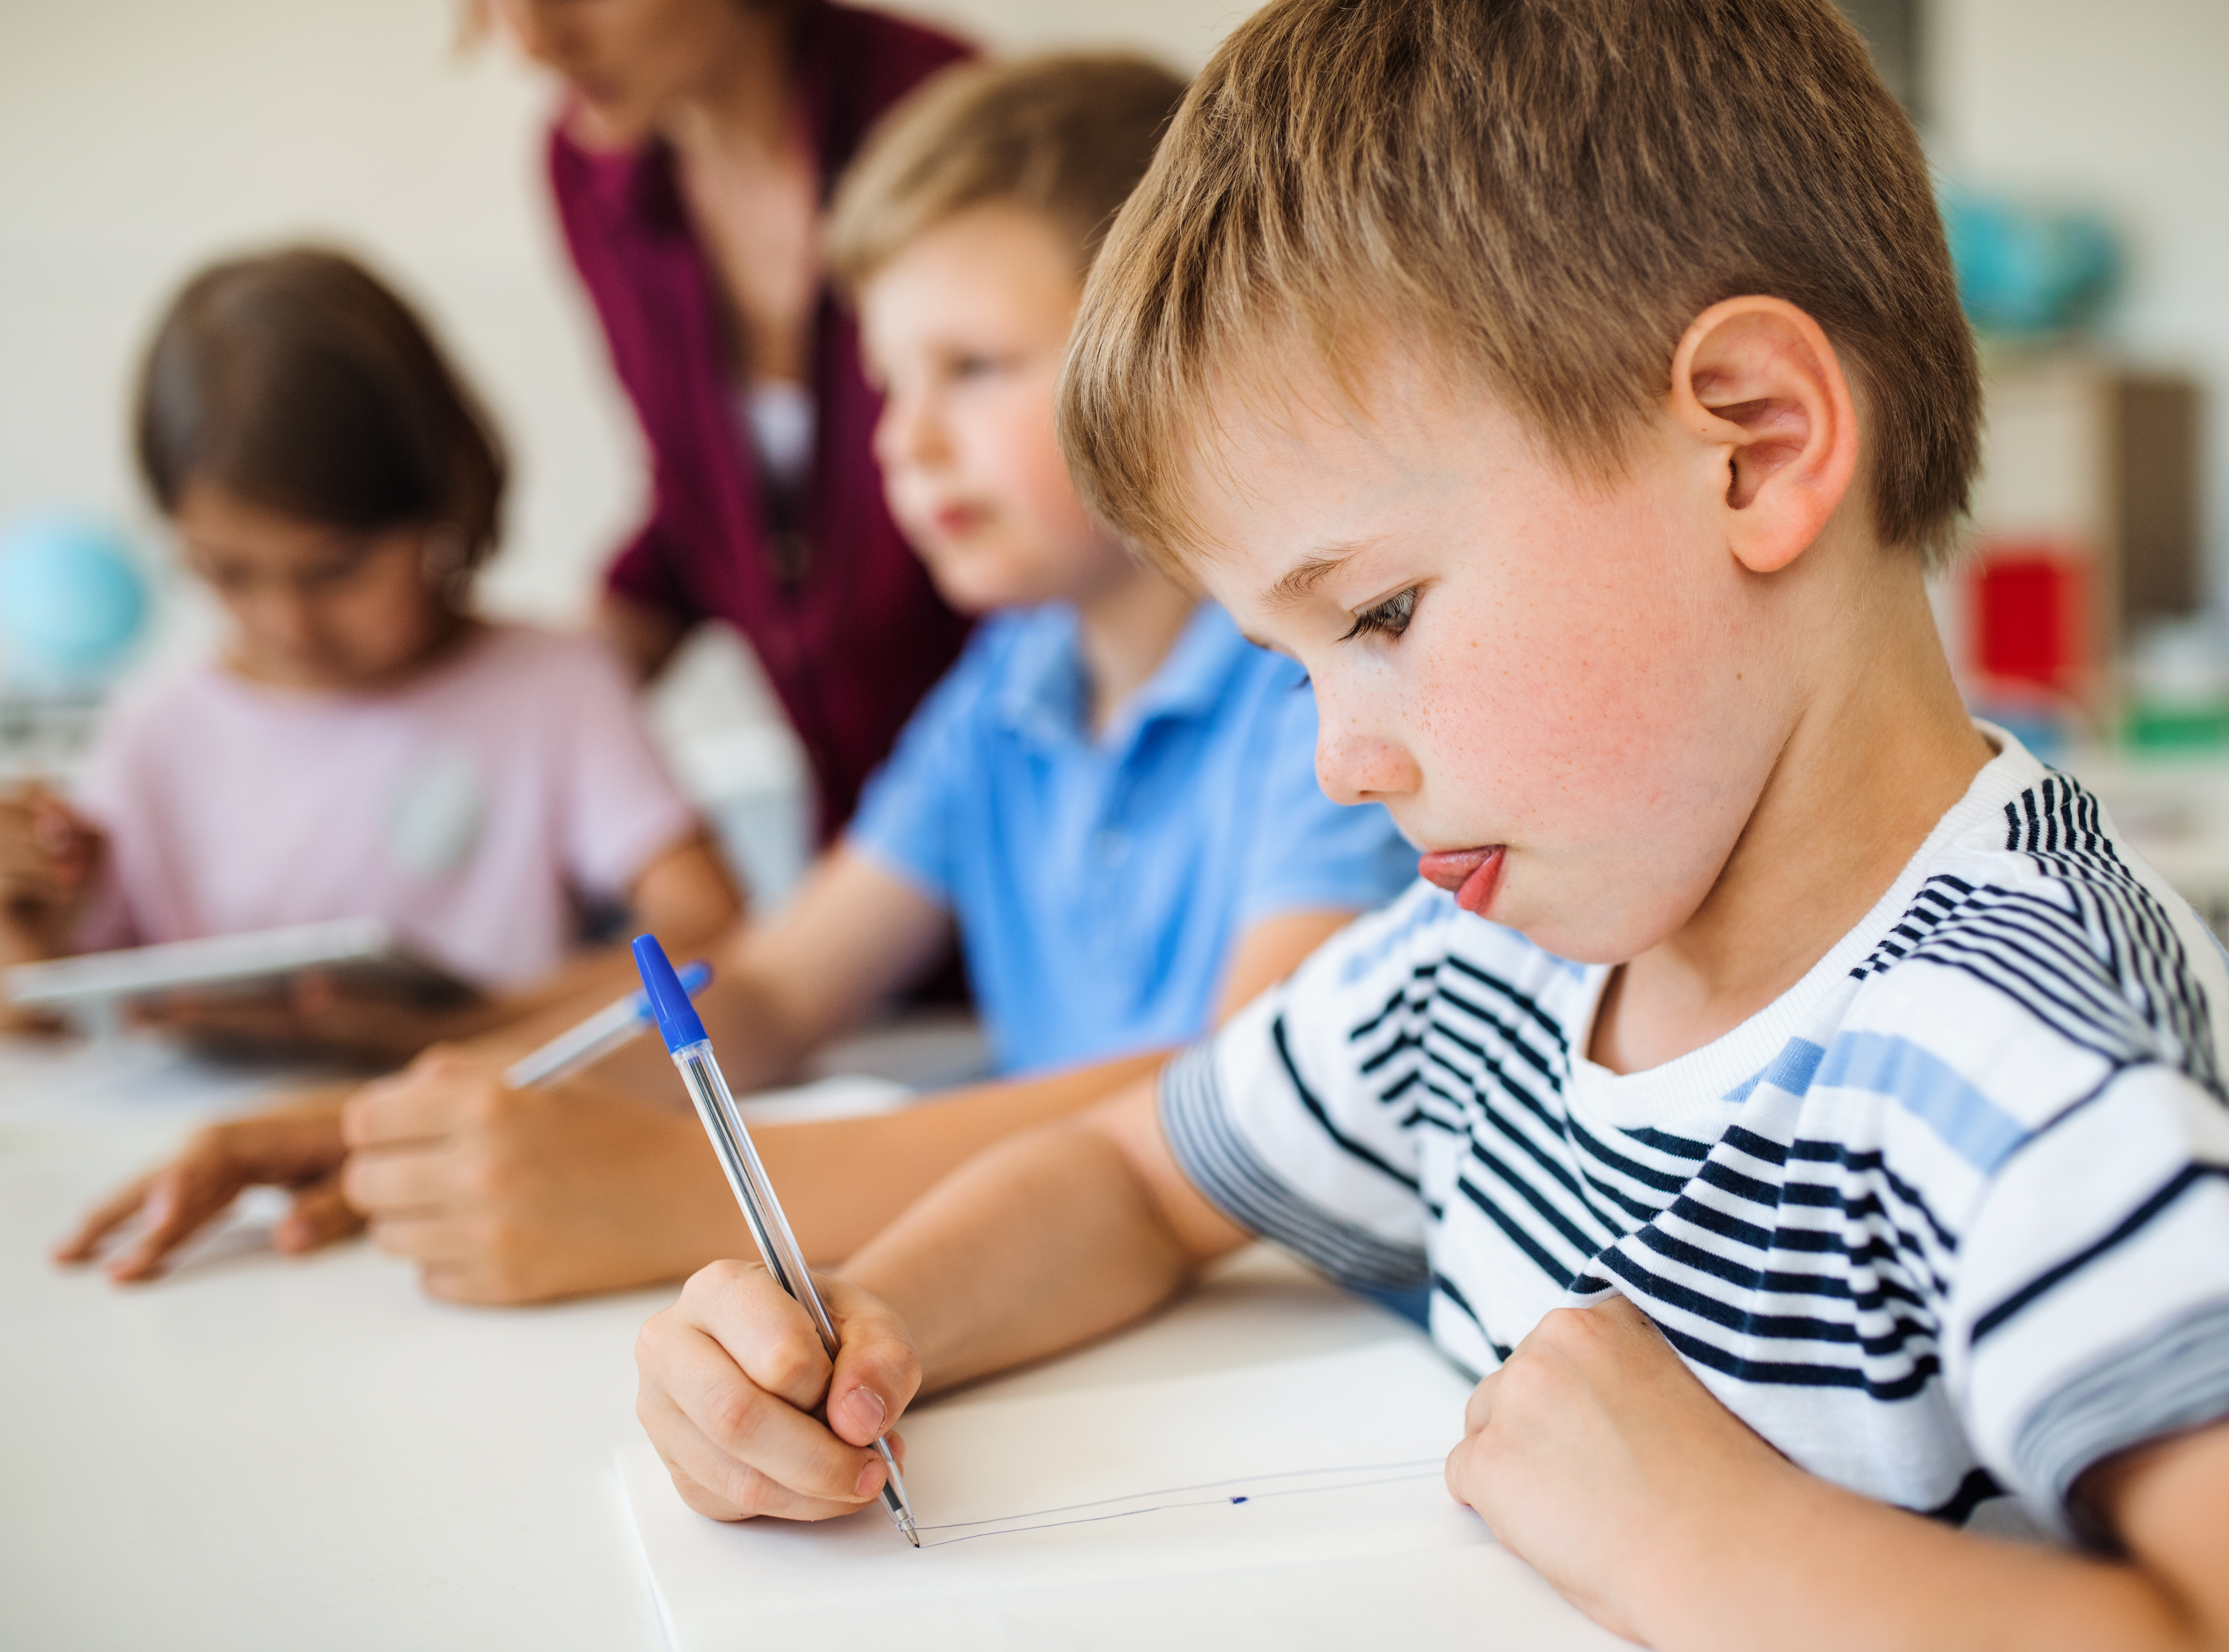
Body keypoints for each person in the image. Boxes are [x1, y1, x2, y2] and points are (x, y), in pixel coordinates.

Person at [632, 3, 2229, 1647]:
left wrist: (1707, 1544)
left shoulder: (2019, 1052)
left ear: (1751, 447)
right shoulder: (1481, 969)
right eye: (1290, 665)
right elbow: (1136, 1176)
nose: (1340, 762)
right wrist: (860, 1330)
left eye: (1375, 619)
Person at [57, 57, 1415, 1307]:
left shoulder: (1315, 691)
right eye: (887, 384)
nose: (907, 443)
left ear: (1165, 364)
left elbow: (1241, 1097)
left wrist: (687, 1192)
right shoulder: (1002, 693)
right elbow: (767, 996)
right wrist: (412, 1119)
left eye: (973, 370)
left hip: (1269, 1327)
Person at [0, 247, 738, 1067]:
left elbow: (712, 930)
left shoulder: (553, 689)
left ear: (441, 506)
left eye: (334, 571)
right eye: (227, 572)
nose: (288, 622)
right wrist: (25, 925)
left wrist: (471, 1021)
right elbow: (35, 1020)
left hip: (484, 1134)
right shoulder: (155, 735)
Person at [494, 0, 975, 846]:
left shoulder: (943, 120)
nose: (534, 40)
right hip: (855, 824)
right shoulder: (591, 169)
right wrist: (529, 699)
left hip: (1021, 784)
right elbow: (701, 506)